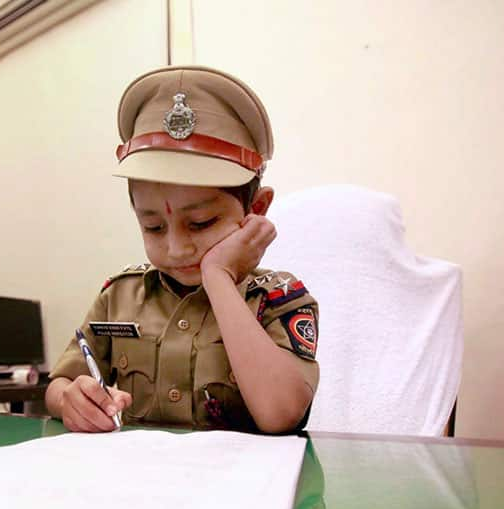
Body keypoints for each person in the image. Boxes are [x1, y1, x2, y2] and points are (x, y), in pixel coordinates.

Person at [46, 66, 319, 434]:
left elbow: (280, 413)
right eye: (153, 226)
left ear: (256, 210)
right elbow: (59, 384)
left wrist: (219, 276)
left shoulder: (279, 299)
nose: (176, 249)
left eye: (202, 223)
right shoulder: (120, 296)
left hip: (244, 487)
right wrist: (70, 400)